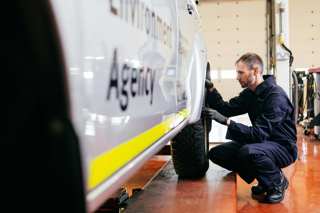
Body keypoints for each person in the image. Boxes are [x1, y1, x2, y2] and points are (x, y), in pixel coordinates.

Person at [204, 53, 297, 203]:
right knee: (217, 154)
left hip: (282, 147)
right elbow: (226, 108)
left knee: (249, 152)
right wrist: (211, 90)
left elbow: (258, 134)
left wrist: (227, 122)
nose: (237, 77)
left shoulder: (275, 96)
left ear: (255, 71)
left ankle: (276, 182)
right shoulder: (250, 94)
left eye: (241, 73)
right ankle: (264, 179)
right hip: (262, 143)